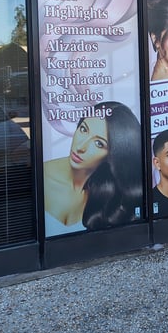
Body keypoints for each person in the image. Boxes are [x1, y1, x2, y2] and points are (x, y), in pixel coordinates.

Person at [44, 101, 142, 236]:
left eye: (99, 143)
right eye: (84, 129)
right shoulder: (42, 176)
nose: (81, 147)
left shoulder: (112, 195)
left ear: (112, 155)